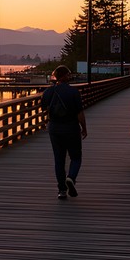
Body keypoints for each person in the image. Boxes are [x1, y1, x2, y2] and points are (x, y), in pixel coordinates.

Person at [40, 65, 87, 200]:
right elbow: (79, 113)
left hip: (54, 128)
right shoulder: (73, 92)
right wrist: (84, 128)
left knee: (59, 159)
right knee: (76, 157)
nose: (71, 76)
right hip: (71, 127)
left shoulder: (48, 92)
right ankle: (71, 177)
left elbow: (43, 108)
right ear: (65, 76)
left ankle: (61, 190)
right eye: (69, 74)